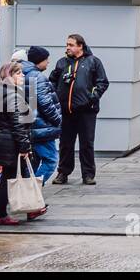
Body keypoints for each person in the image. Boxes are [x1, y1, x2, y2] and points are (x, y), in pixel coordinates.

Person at [49, 34, 108, 186]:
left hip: (86, 111)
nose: (67, 47)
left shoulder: (93, 62)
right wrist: (57, 96)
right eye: (67, 44)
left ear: (80, 46)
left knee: (86, 143)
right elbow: (53, 80)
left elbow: (102, 82)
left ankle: (88, 174)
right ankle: (63, 172)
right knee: (65, 143)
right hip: (66, 110)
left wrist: (92, 97)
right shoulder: (62, 63)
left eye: (71, 44)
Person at [0, 60, 37, 226]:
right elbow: (17, 123)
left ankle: (30, 208)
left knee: (9, 177)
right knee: (8, 179)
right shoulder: (12, 94)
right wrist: (24, 146)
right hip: (10, 143)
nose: (22, 75)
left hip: (2, 140)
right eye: (18, 73)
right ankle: (1, 214)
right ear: (10, 75)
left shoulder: (0, 91)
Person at [20, 47, 61, 186]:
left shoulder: (22, 73)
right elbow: (45, 103)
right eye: (46, 59)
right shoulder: (37, 77)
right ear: (39, 60)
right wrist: (57, 120)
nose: (48, 62)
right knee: (50, 161)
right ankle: (30, 191)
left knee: (33, 162)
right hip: (41, 127)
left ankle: (26, 192)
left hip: (30, 126)